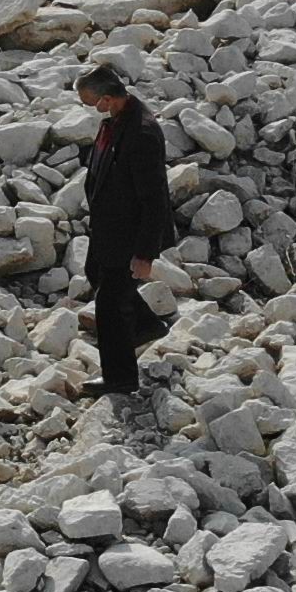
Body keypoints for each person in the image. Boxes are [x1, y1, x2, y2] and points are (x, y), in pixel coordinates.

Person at [77, 61, 177, 404]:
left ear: (108, 98)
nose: (92, 110)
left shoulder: (143, 133)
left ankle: (120, 379)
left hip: (130, 233)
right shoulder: (115, 121)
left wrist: (145, 255)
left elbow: (155, 200)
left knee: (109, 304)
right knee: (96, 275)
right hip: (108, 227)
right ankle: (147, 325)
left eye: (92, 103)